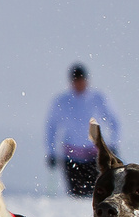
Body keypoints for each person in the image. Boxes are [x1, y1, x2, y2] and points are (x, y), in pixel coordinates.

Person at [45, 64, 120, 197]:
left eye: (81, 80)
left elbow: (114, 121)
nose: (79, 84)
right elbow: (51, 127)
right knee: (77, 194)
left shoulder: (98, 98)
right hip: (72, 156)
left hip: (94, 156)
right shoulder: (62, 101)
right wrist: (51, 151)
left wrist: (113, 145)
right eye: (75, 81)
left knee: (97, 193)